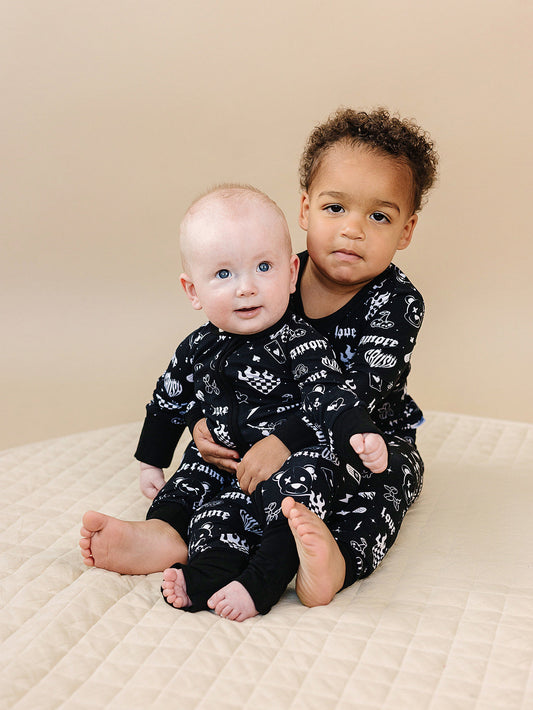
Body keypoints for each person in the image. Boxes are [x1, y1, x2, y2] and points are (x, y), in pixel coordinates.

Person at [80, 184, 388, 619]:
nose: (246, 288)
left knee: (300, 491)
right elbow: (168, 399)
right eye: (224, 274)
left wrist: (358, 432)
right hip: (223, 461)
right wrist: (151, 461)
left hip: (286, 458)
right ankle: (171, 543)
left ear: (291, 273)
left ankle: (262, 581)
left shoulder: (298, 341)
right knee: (202, 498)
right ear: (193, 290)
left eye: (263, 267)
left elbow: (328, 393)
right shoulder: (196, 348)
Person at [194, 107, 439, 613]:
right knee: (213, 470)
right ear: (305, 209)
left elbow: (362, 392)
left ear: (407, 230)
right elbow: (220, 353)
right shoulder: (273, 278)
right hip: (262, 427)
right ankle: (180, 538)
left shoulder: (397, 304)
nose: (352, 230)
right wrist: (205, 419)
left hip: (367, 432)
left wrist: (286, 442)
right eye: (335, 208)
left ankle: (335, 562)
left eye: (379, 216)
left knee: (386, 480)